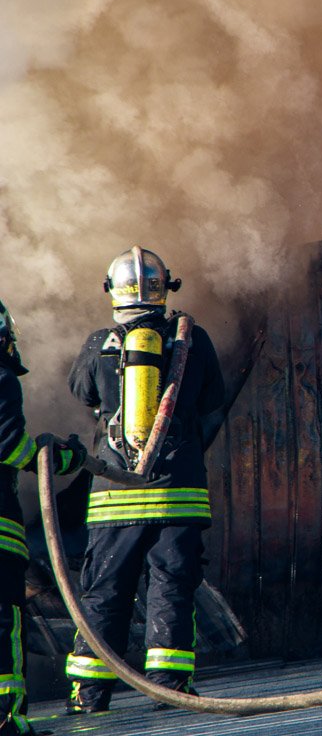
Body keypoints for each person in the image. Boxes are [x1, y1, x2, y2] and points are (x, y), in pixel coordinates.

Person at [64, 247, 225, 713]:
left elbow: (82, 391)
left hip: (114, 495)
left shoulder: (99, 344)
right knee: (171, 588)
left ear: (111, 291)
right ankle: (169, 688)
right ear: (164, 288)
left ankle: (89, 694)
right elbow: (212, 397)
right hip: (177, 494)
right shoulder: (193, 340)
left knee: (105, 592)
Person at [0, 299, 86, 735]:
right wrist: (64, 458)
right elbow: (11, 448)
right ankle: (6, 722)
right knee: (4, 626)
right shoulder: (1, 378)